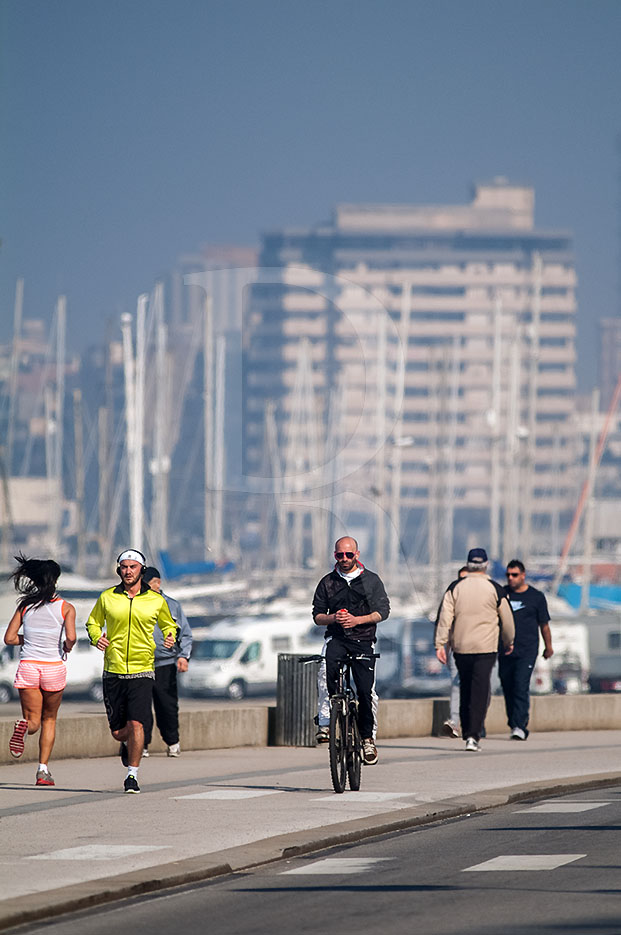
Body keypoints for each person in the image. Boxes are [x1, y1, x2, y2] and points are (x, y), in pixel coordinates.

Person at [86, 549, 177, 793]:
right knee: (118, 732)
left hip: (143, 668)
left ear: (141, 571)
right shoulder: (107, 597)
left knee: (138, 722)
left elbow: (169, 623)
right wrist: (96, 637)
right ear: (119, 570)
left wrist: (170, 635)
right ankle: (127, 742)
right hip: (114, 669)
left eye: (133, 567)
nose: (128, 571)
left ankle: (132, 775)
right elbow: (93, 622)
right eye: (124, 567)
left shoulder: (156, 601)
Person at [312, 536, 390, 765]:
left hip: (363, 640)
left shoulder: (371, 580)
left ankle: (367, 738)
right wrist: (333, 618)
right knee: (325, 673)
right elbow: (317, 616)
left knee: (366, 691)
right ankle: (326, 722)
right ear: (335, 555)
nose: (344, 559)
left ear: (356, 555)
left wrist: (357, 620)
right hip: (336, 638)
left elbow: (382, 612)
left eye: (348, 555)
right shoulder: (327, 582)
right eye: (339, 555)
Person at [3, 554, 76, 786]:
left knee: (32, 720)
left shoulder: (25, 606)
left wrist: (30, 639)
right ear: (55, 580)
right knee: (50, 719)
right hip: (53, 667)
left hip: (29, 667)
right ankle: (43, 771)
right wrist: (66, 645)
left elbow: (9, 638)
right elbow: (72, 637)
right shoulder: (66, 608)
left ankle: (25, 727)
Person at [435, 547, 514, 752]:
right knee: (480, 691)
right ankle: (473, 736)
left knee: (465, 689)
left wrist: (440, 644)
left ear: (468, 564)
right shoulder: (495, 589)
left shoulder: (455, 588)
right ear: (486, 565)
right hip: (486, 648)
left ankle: (466, 730)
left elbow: (445, 619)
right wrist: (509, 641)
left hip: (461, 648)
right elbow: (507, 620)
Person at [499, 559, 553, 741]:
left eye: (514, 575)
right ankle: (513, 721)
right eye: (508, 575)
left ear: (523, 575)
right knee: (508, 687)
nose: (510, 578)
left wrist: (548, 647)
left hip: (527, 650)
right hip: (505, 650)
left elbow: (544, 625)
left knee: (520, 686)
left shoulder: (536, 597)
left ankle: (520, 725)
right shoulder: (503, 594)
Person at [141, 566, 192, 758]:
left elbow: (185, 634)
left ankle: (172, 742)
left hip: (165, 663)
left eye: (146, 584)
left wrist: (183, 656)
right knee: (140, 707)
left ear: (157, 583)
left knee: (167, 706)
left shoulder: (173, 605)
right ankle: (142, 744)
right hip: (140, 664)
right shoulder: (135, 603)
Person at [435, 565, 468, 739]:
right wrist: (440, 645)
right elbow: (442, 621)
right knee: (456, 683)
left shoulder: (483, 595)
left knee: (480, 687)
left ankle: (474, 722)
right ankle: (455, 723)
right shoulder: (452, 594)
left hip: (481, 649)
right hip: (456, 647)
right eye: (459, 579)